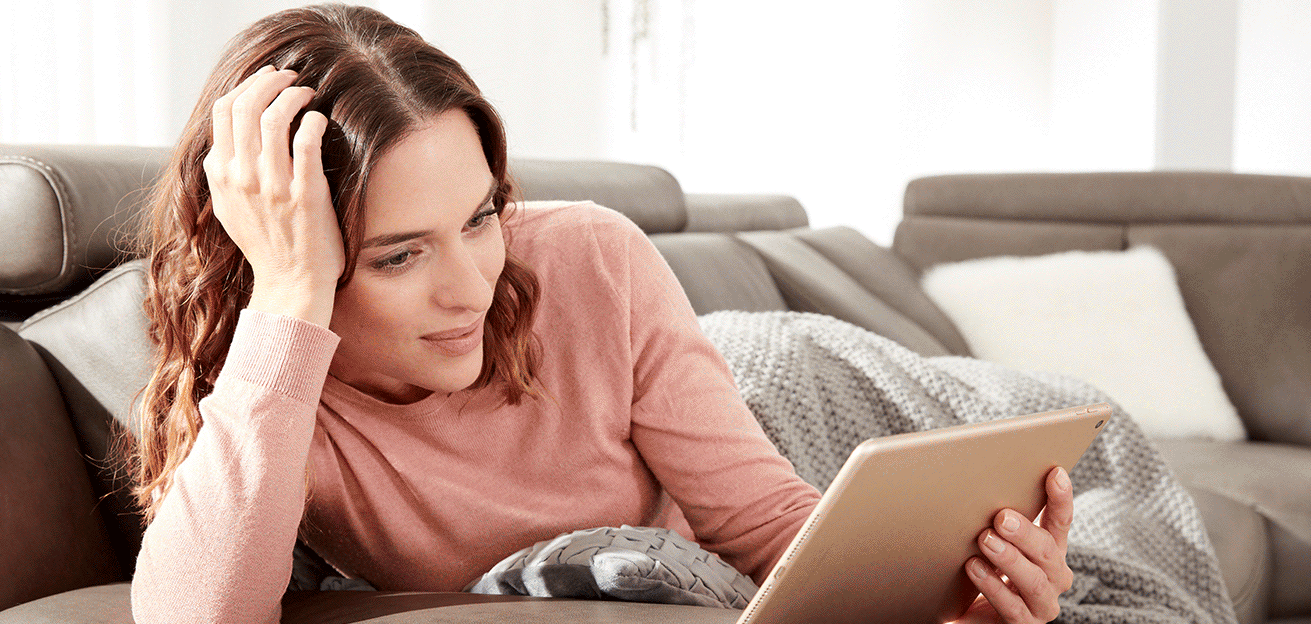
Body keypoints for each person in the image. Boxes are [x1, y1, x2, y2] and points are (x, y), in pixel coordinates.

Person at [128, 4, 1075, 623]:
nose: (472, 286)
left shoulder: (591, 254)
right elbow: (191, 618)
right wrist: (291, 301)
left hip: (775, 375)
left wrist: (951, 598)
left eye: (480, 216)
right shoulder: (274, 381)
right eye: (400, 254)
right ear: (284, 248)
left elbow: (765, 521)